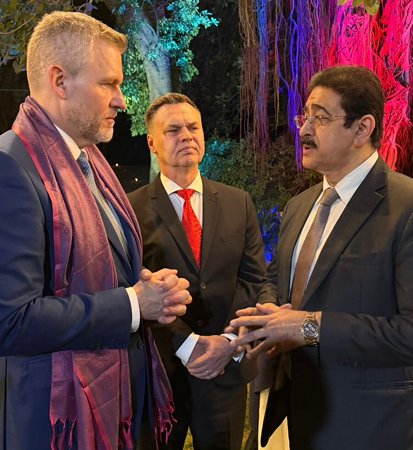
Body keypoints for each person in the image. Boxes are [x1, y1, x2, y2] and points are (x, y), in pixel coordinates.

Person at [0, 11, 192, 450]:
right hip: (55, 424)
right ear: (60, 81)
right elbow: (10, 321)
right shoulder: (11, 165)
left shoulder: (88, 162)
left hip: (115, 402)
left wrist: (147, 290)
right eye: (109, 84)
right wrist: (132, 304)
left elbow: (101, 272)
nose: (122, 100)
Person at [228, 65, 413, 450]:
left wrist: (308, 327)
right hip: (290, 415)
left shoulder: (405, 207)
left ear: (362, 129)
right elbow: (274, 281)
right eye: (305, 117)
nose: (304, 130)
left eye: (321, 117)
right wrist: (266, 316)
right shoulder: (299, 206)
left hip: (369, 427)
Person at [128, 93, 267, 450]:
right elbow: (132, 289)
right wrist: (188, 344)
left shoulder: (239, 202)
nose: (187, 136)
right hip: (160, 373)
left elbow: (254, 280)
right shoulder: (130, 209)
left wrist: (229, 342)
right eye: (173, 129)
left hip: (225, 369)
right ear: (152, 142)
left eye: (193, 127)